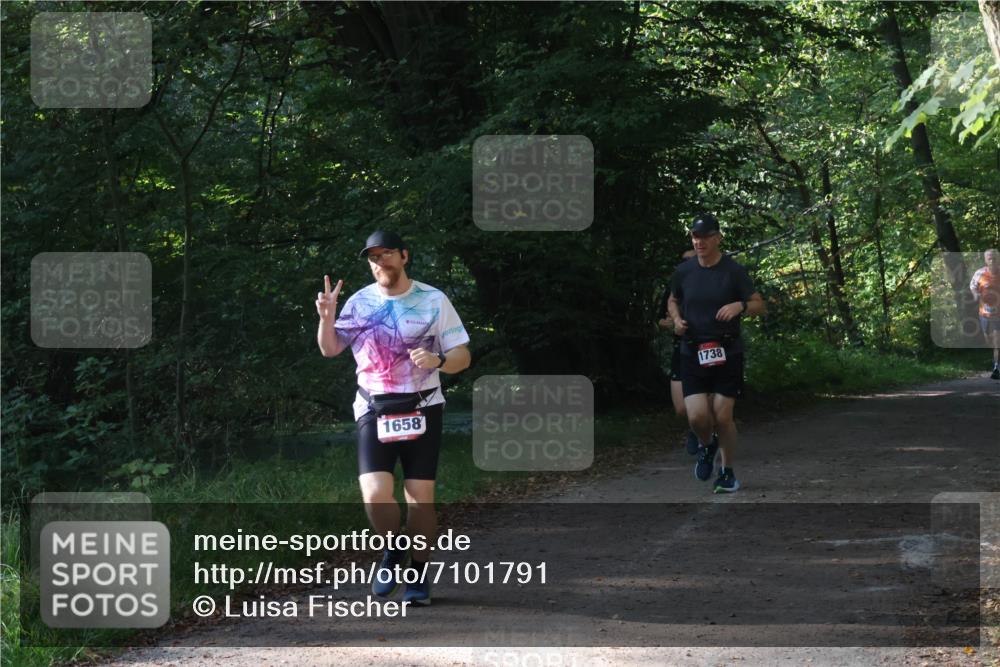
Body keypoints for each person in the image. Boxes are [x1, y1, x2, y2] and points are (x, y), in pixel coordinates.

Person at [316, 230, 471, 605]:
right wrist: (327, 317)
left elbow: (462, 355)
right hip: (373, 406)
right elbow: (330, 348)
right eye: (373, 257)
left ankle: (417, 575)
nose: (379, 262)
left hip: (423, 404)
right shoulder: (358, 302)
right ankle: (394, 549)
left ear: (404, 256)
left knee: (420, 498)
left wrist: (438, 361)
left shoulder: (433, 300)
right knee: (375, 495)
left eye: (386, 254)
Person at [667, 214, 765, 493]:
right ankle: (708, 446)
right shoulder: (684, 271)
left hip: (727, 350)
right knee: (696, 417)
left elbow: (759, 304)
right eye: (695, 237)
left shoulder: (733, 271)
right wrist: (676, 320)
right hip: (692, 351)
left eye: (705, 237)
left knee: (722, 417)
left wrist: (741, 307)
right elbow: (673, 300)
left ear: (718, 238)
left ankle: (728, 472)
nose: (699, 242)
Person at [657, 249, 700, 454]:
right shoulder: (673, 290)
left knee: (709, 399)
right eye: (685, 261)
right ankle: (696, 428)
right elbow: (661, 320)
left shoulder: (713, 284)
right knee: (681, 408)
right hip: (681, 348)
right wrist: (674, 322)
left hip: (707, 347)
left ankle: (707, 434)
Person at [969, 248, 1000, 380]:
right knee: (989, 341)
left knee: (997, 341)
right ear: (985, 260)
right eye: (989, 258)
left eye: (994, 257)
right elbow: (973, 286)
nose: (992, 260)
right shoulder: (979, 273)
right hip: (985, 314)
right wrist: (976, 295)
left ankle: (996, 367)